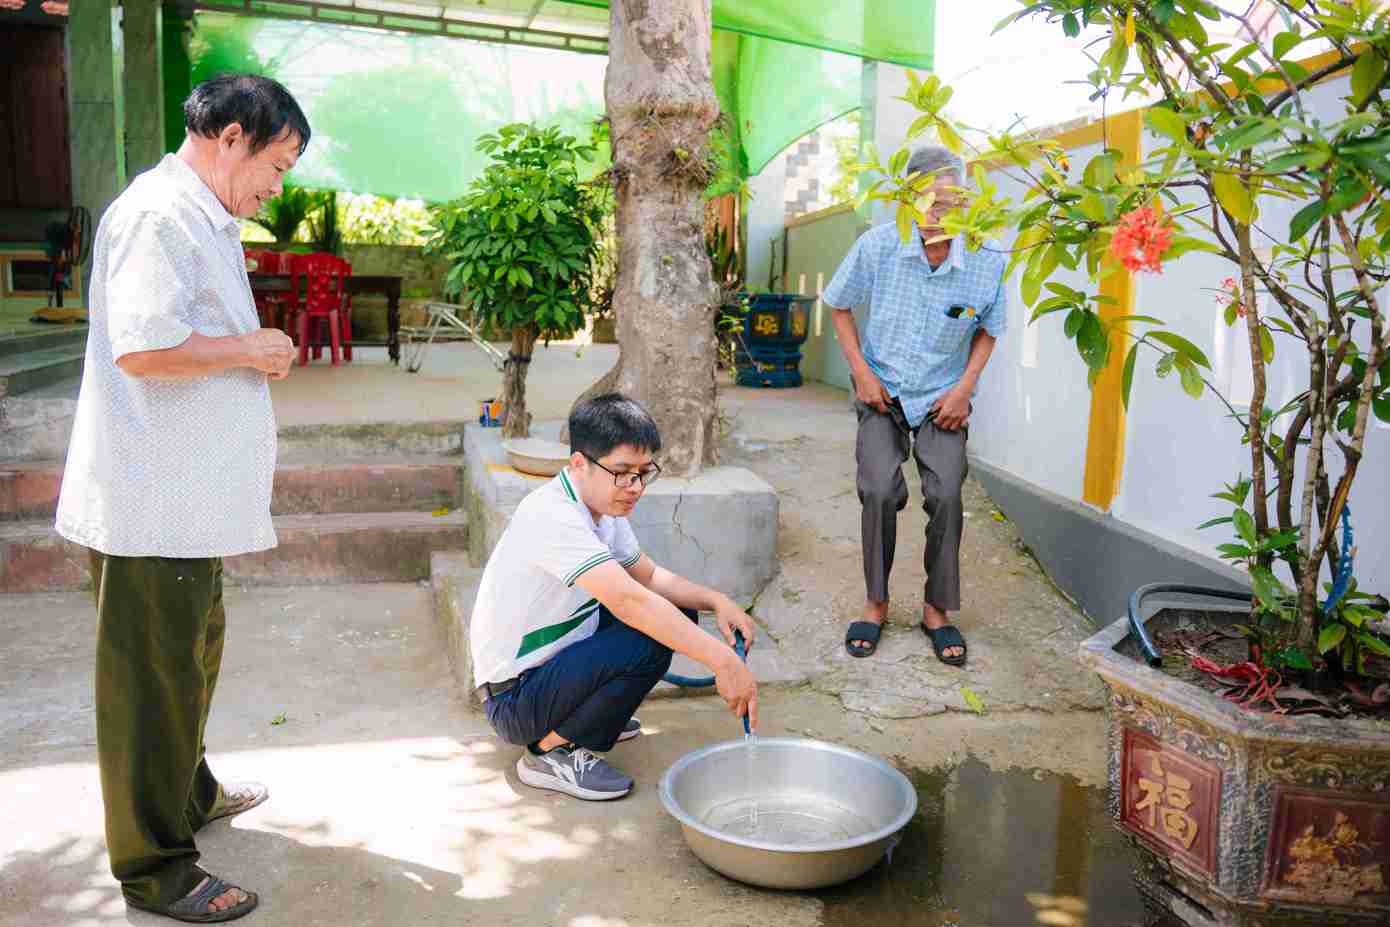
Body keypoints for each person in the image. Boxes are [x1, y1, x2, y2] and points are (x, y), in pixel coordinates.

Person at [54, 75, 306, 922]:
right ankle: (155, 865)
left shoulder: (202, 214)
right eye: (277, 165)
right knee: (151, 685)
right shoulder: (157, 216)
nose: (277, 187)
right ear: (232, 138)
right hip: (149, 505)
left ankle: (189, 792)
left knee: (190, 660)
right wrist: (248, 349)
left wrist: (246, 350)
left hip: (187, 501)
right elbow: (143, 348)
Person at [471, 393, 759, 800]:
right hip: (515, 698)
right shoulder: (552, 515)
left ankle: (593, 717)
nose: (635, 487)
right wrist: (723, 661)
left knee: (677, 613)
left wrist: (715, 600)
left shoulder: (601, 508)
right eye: (622, 473)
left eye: (643, 473)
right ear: (579, 464)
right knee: (648, 635)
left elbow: (649, 576)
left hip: (549, 664)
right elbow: (631, 602)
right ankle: (547, 753)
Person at [823, 146, 1008, 665]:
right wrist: (861, 374)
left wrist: (964, 389)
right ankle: (876, 602)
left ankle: (936, 610)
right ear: (905, 199)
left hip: (944, 396)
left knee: (946, 492)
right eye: (925, 201)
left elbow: (989, 329)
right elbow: (838, 305)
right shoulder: (878, 246)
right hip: (881, 388)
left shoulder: (988, 257)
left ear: (965, 200)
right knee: (879, 489)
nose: (936, 213)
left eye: (947, 202)